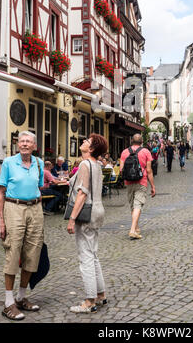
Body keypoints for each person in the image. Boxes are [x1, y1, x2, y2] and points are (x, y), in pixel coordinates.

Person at [0, 131, 44, 321]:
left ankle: (20, 297)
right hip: (13, 207)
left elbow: (39, 187)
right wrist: (0, 219)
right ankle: (8, 304)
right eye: (22, 141)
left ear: (34, 146)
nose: (24, 144)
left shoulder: (39, 164)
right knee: (13, 251)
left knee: (32, 253)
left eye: (28, 142)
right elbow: (1, 192)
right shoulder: (9, 162)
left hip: (35, 208)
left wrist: (36, 207)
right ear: (18, 144)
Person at [66, 133, 108, 313]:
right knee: (93, 254)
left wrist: (72, 218)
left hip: (87, 213)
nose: (83, 141)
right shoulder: (97, 165)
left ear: (91, 149)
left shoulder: (85, 164)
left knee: (86, 258)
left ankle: (89, 301)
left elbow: (82, 194)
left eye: (87, 141)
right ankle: (101, 294)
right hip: (98, 211)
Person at [120, 134, 156, 240]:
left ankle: (136, 228)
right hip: (141, 181)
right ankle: (132, 230)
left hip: (128, 182)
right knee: (138, 205)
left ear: (131, 141)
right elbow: (149, 171)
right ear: (142, 142)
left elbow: (121, 169)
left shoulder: (124, 152)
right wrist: (153, 186)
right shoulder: (146, 152)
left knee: (133, 206)